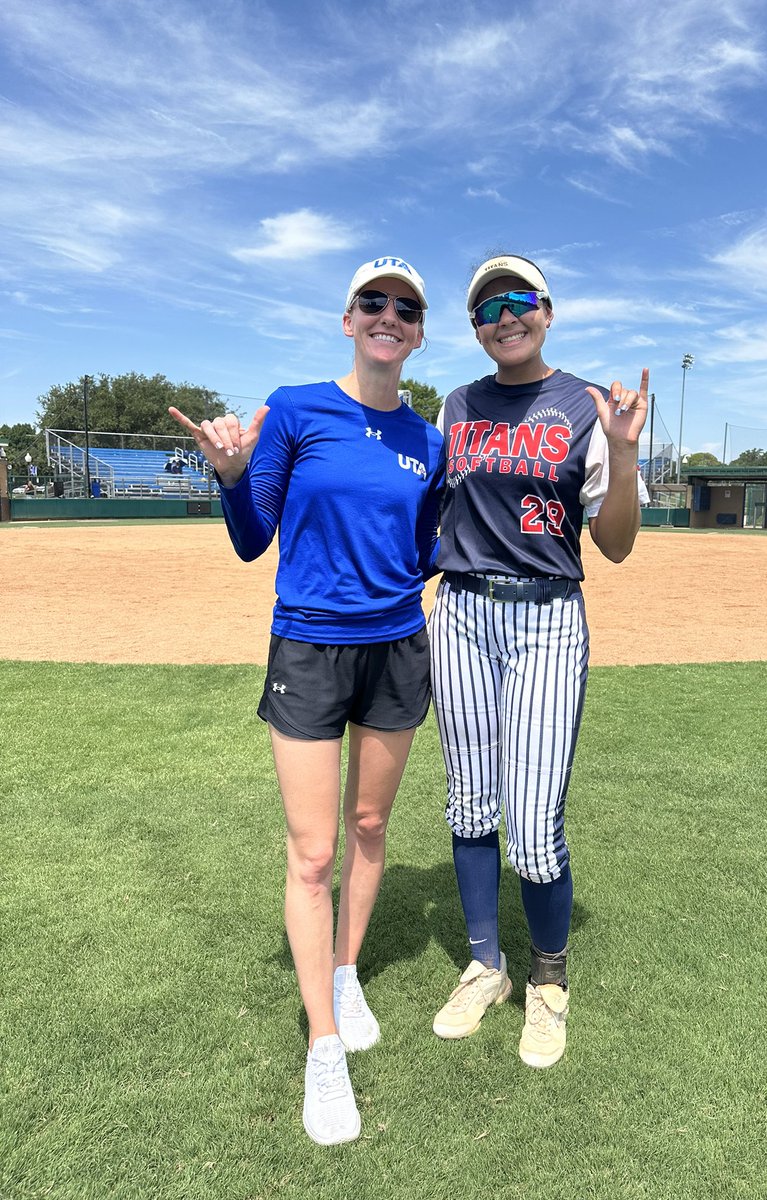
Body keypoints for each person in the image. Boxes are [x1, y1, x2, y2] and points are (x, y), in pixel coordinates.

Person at [169, 256, 444, 1146]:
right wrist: (229, 474)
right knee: (314, 849)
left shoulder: (429, 440)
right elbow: (255, 539)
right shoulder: (295, 407)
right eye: (375, 302)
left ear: (418, 331)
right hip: (311, 646)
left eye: (405, 308)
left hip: (399, 645)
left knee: (370, 828)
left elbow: (431, 545)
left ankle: (347, 970)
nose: (388, 316)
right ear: (348, 318)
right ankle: (323, 1050)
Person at [429, 254, 648, 1069]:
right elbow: (432, 515)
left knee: (533, 823)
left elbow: (617, 546)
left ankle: (547, 981)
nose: (504, 315)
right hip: (459, 614)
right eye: (488, 306)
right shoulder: (457, 404)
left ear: (547, 312)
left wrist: (623, 456)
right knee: (469, 803)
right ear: (476, 326)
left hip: (548, 617)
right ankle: (486, 965)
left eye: (520, 299)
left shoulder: (586, 404)